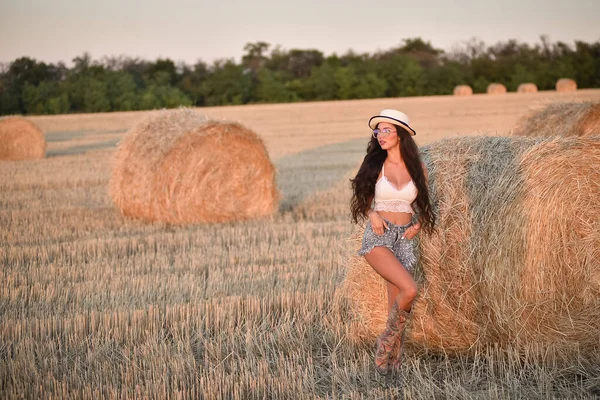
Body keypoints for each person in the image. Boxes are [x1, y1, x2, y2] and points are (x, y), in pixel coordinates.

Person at [350, 109, 435, 375]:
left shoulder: (417, 168)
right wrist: (372, 213)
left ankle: (390, 367)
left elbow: (424, 205)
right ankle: (384, 346)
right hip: (379, 237)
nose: (380, 135)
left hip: (404, 239)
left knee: (395, 304)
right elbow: (361, 199)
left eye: (387, 130)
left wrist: (419, 224)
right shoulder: (376, 165)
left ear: (401, 135)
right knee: (410, 289)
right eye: (378, 131)